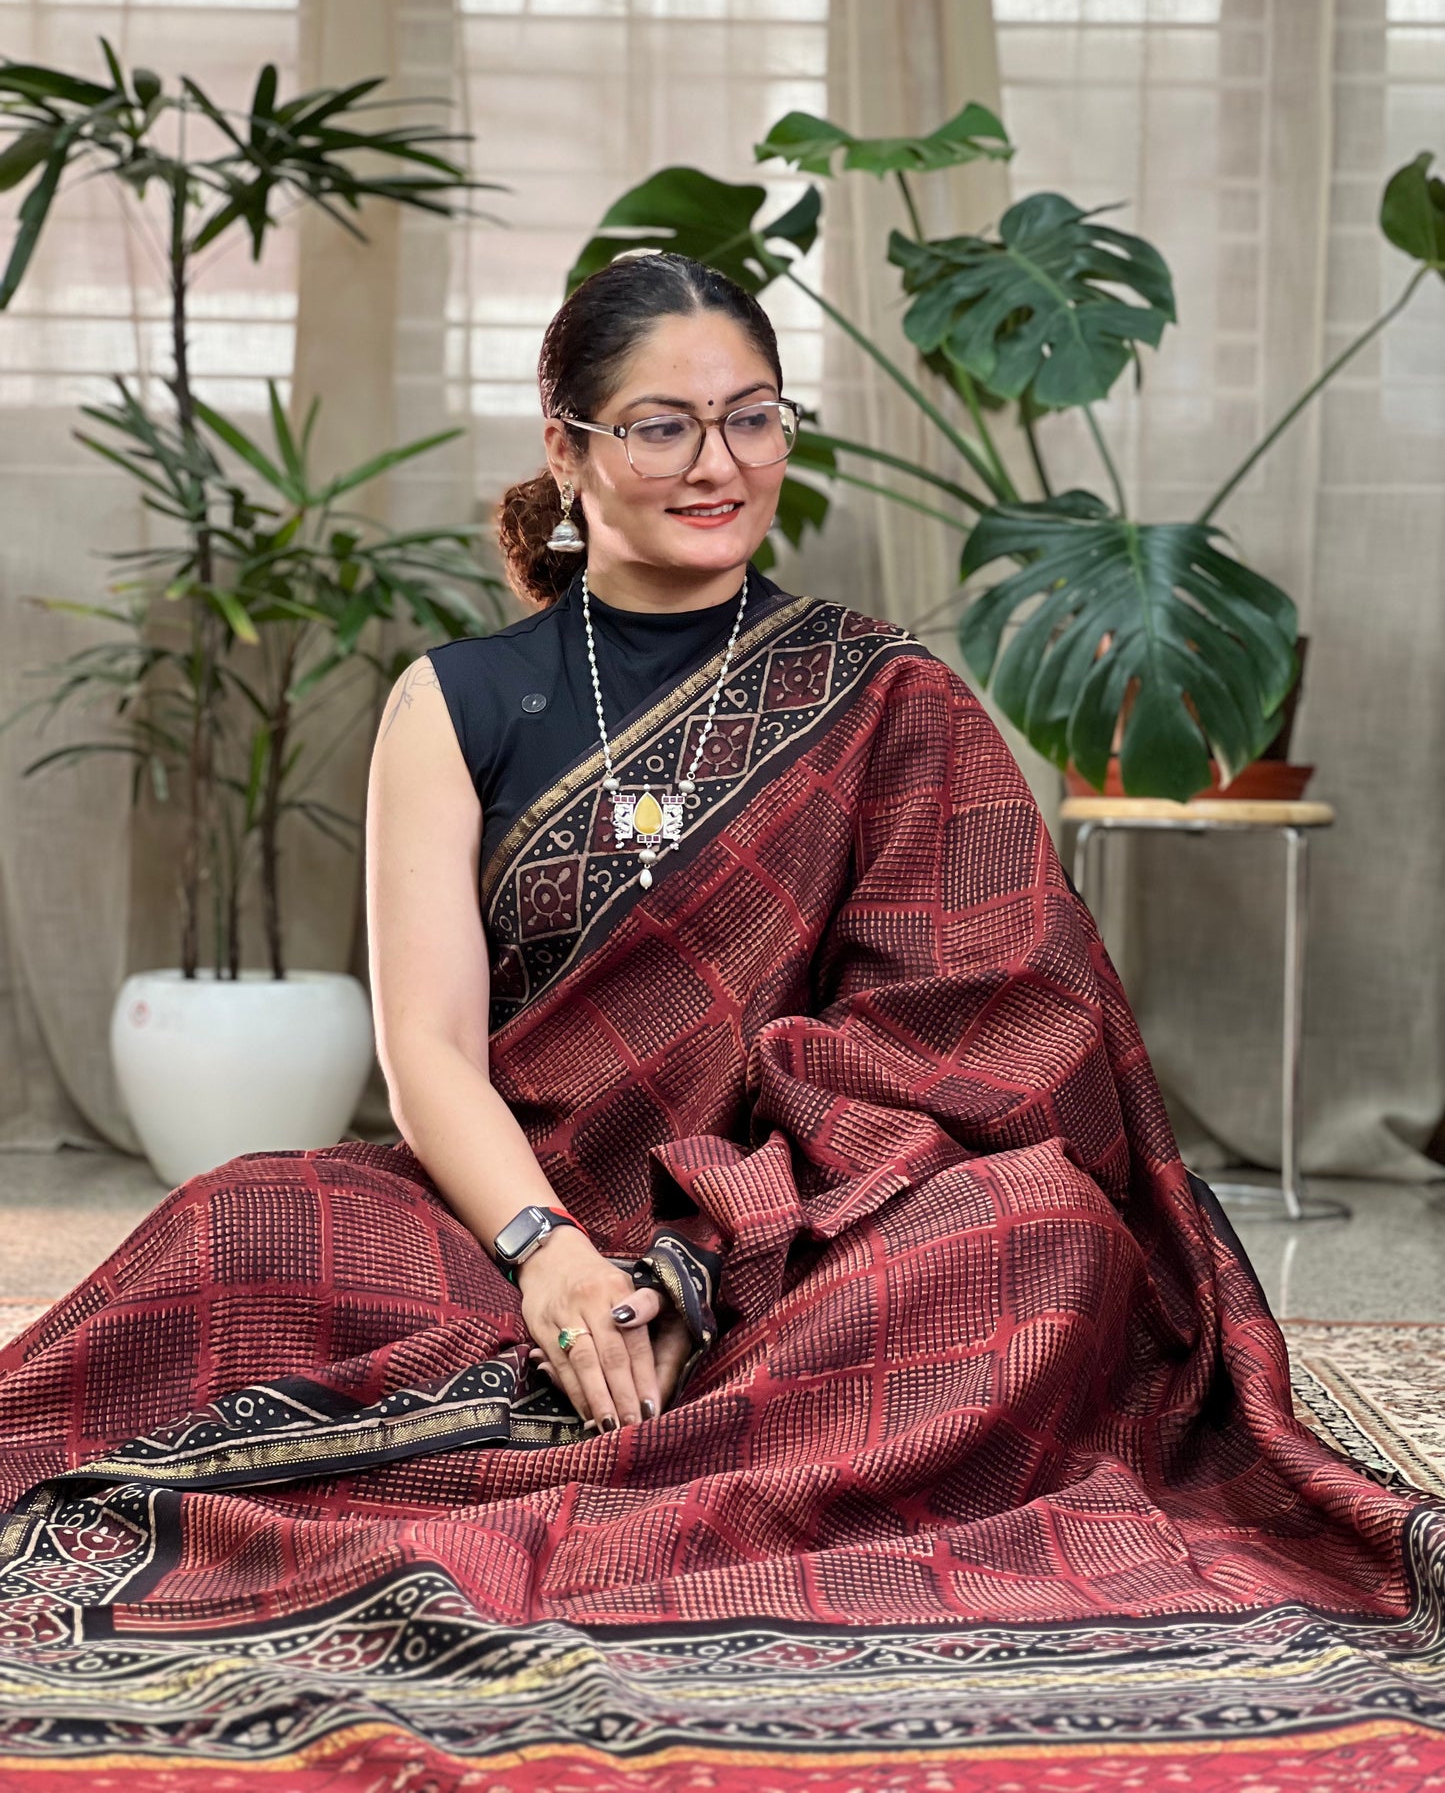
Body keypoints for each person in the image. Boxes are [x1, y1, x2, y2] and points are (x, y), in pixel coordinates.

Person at [0, 253, 1435, 1790]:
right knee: (245, 1229)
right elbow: (426, 1056)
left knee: (1039, 1238)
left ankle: (577, 1450)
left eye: (751, 418)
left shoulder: (886, 697)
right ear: (567, 449)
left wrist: (710, 1252)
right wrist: (547, 1253)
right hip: (511, 1211)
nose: (717, 464)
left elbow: (975, 1032)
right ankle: (656, 1434)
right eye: (661, 426)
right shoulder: (461, 701)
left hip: (814, 1233)